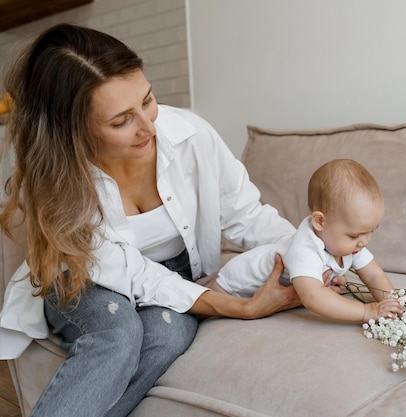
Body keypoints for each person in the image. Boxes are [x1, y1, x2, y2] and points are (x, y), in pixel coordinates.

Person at [0, 23, 335, 417]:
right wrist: (239, 307)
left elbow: (246, 215)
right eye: (120, 120)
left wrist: (309, 255)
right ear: (73, 130)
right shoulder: (54, 178)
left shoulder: (192, 136)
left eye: (147, 100)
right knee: (118, 334)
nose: (148, 126)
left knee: (167, 335)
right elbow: (129, 271)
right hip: (83, 277)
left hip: (176, 272)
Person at [209, 159, 403, 323]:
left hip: (243, 282)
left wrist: (394, 305)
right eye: (354, 236)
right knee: (200, 306)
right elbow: (313, 297)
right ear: (320, 222)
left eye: (370, 232)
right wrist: (368, 312)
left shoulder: (352, 245)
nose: (364, 241)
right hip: (231, 284)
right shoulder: (304, 250)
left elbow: (373, 275)